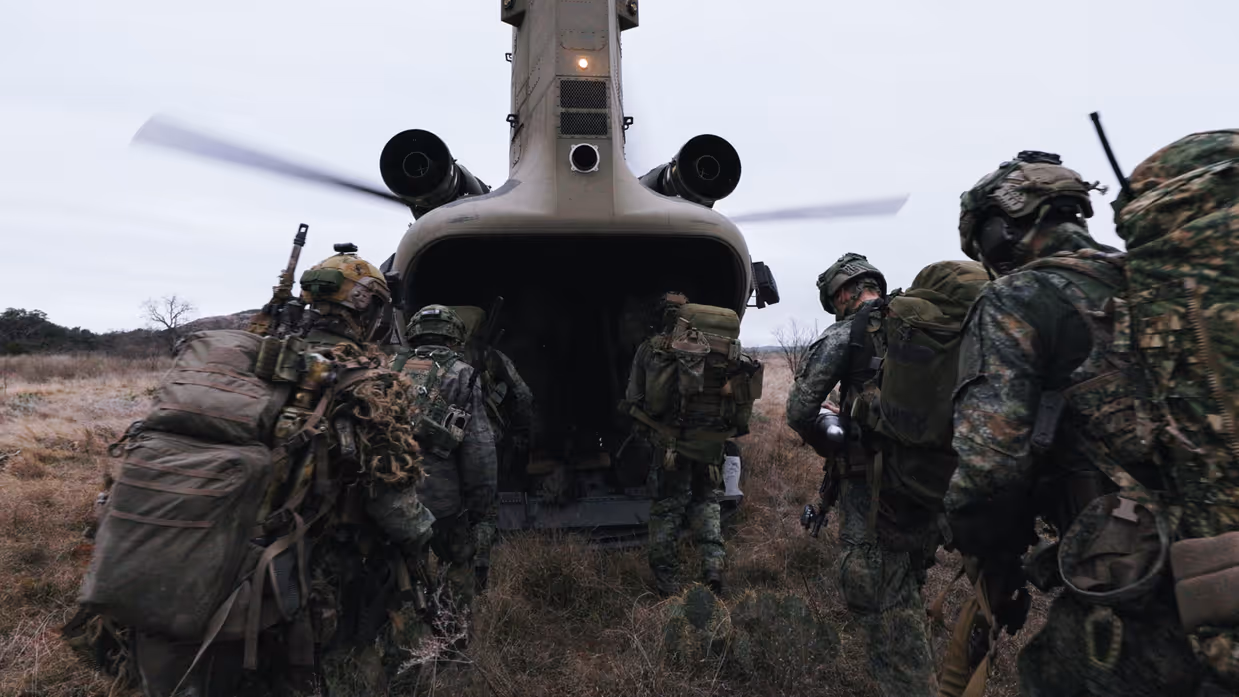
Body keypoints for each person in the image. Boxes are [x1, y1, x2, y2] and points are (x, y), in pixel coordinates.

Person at [71, 244, 437, 697]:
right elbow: (395, 508)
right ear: (370, 312)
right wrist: (428, 536)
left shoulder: (241, 365)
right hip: (284, 587)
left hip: (182, 560)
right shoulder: (370, 383)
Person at [947, 150, 1208, 695]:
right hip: (1216, 553)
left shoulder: (1016, 298)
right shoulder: (1152, 281)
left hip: (1133, 583)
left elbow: (987, 470)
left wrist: (986, 554)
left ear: (999, 232)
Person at [785, 252, 939, 697]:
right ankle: (917, 652)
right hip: (930, 482)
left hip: (871, 491)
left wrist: (832, 429)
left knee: (882, 604)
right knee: (908, 577)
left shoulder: (846, 334)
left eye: (834, 299)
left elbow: (799, 411)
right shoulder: (921, 327)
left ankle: (911, 682)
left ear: (843, 292)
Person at [621, 292, 760, 597]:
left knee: (666, 510)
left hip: (671, 447)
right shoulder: (727, 351)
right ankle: (713, 567)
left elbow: (635, 398)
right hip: (711, 445)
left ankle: (667, 585)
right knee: (706, 501)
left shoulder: (653, 349)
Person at [393, 304, 498, 632]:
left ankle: (404, 647)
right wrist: (481, 506)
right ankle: (451, 644)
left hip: (392, 495)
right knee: (457, 562)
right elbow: (479, 448)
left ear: (413, 334)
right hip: (444, 501)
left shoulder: (387, 368)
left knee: (398, 571)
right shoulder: (462, 374)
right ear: (455, 336)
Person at [451, 305, 536, 592]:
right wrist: (520, 428)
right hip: (488, 442)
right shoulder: (492, 357)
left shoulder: (437, 359)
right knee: (485, 510)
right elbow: (524, 395)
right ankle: (479, 574)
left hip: (443, 443)